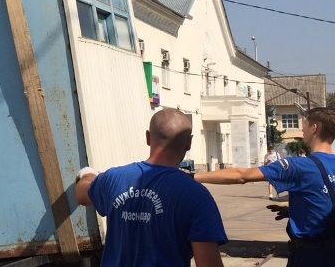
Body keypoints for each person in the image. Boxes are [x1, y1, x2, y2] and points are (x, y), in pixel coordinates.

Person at [75, 108, 227, 267]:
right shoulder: (197, 196)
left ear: (148, 137)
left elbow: (81, 193)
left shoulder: (112, 178)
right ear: (189, 143)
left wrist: (88, 173)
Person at [196, 107, 335, 266]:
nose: (302, 129)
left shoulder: (298, 166)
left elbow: (242, 175)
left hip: (310, 256)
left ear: (314, 128)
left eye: (305, 124)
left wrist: (194, 177)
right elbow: (322, 197)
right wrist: (295, 211)